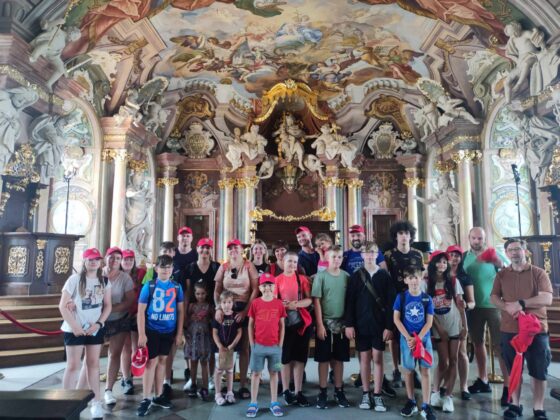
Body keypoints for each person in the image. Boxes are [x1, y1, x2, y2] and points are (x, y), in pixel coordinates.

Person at [491, 238, 553, 420]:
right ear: (506, 253)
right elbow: (494, 297)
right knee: (513, 370)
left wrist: (521, 304)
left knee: (538, 370)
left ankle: (538, 408)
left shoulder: (538, 273)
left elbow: (547, 298)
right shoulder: (502, 275)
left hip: (536, 329)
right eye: (510, 250)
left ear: (525, 251)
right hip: (510, 329)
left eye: (518, 249)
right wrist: (506, 307)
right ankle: (515, 405)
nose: (514, 253)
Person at [59, 248, 112, 419]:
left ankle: (96, 403)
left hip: (94, 328)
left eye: (96, 259)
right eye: (90, 259)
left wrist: (99, 323)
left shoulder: (104, 281)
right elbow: (62, 306)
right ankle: (65, 403)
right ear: (85, 261)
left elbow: (108, 305)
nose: (94, 262)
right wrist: (75, 326)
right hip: (75, 327)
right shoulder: (74, 279)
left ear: (100, 262)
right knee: (73, 365)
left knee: (93, 364)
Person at [344, 242, 395, 412]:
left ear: (377, 254)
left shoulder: (384, 276)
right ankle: (366, 393)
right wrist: (349, 324)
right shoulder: (356, 277)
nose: (370, 255)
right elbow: (350, 303)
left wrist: (389, 326)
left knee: (378, 358)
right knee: (364, 359)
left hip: (380, 325)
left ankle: (378, 394)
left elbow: (391, 303)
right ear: (362, 255)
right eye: (367, 252)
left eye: (373, 252)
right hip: (361, 325)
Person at [463, 227, 510, 405]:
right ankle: (483, 379)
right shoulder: (464, 257)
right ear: (469, 238)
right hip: (473, 306)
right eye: (474, 238)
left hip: (494, 306)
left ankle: (508, 386)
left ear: (484, 239)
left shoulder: (494, 254)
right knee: (477, 343)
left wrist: (498, 262)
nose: (477, 241)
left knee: (499, 346)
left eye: (480, 238)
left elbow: (509, 270)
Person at [136, 254, 185, 417]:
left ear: (172, 269)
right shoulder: (149, 286)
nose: (166, 270)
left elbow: (181, 310)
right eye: (162, 267)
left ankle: (158, 395)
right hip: (152, 329)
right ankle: (146, 398)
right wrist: (141, 334)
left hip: (168, 330)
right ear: (156, 268)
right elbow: (141, 311)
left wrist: (179, 333)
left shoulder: (177, 287)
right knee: (151, 362)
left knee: (163, 360)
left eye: (169, 267)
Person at [214, 239, 259, 400]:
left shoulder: (249, 266)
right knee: (227, 343)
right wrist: (218, 308)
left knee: (244, 347)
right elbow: (217, 289)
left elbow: (255, 289)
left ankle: (243, 385)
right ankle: (228, 384)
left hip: (244, 306)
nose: (233, 250)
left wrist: (246, 311)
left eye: (236, 247)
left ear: (241, 250)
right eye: (230, 248)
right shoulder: (224, 266)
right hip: (226, 307)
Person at [384, 221, 424, 388]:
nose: (404, 236)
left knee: (414, 335)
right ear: (396, 236)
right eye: (400, 233)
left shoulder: (418, 254)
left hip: (414, 300)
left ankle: (413, 371)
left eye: (406, 233)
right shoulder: (389, 255)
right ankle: (396, 370)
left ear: (410, 236)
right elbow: (386, 278)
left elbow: (422, 277)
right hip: (396, 300)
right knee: (394, 337)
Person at [426, 251, 467, 413]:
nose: (442, 265)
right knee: (444, 362)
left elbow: (460, 305)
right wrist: (438, 328)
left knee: (454, 360)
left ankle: (449, 396)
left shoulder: (454, 281)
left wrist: (465, 326)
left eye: (444, 262)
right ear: (433, 263)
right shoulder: (426, 282)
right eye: (439, 261)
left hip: (454, 324)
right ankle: (435, 392)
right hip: (438, 326)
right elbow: (427, 309)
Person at [393, 267, 436, 420]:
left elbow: (429, 322)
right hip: (407, 340)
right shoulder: (401, 297)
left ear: (421, 278)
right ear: (406, 280)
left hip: (424, 339)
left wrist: (418, 339)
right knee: (409, 370)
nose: (414, 281)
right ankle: (411, 401)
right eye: (410, 278)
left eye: (416, 277)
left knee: (425, 370)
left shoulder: (426, 299)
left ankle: (426, 405)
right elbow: (396, 319)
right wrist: (408, 338)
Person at [312, 245, 351, 409]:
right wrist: (320, 324)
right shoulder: (321, 277)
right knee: (323, 358)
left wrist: (349, 324)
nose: (336, 260)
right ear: (327, 258)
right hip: (325, 322)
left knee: (339, 359)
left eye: (339, 257)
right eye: (333, 256)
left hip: (341, 324)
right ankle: (322, 391)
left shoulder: (346, 277)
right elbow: (316, 301)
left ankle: (338, 390)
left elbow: (350, 302)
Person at [246, 273, 287, 418]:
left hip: (275, 347)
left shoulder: (279, 304)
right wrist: (252, 344)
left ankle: (274, 402)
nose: (267, 288)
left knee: (274, 373)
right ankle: (253, 403)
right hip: (258, 346)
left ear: (274, 287)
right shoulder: (255, 303)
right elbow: (250, 325)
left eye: (270, 285)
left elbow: (282, 326)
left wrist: (280, 345)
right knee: (255, 373)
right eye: (264, 285)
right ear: (260, 288)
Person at [276, 251, 313, 408]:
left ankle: (298, 391)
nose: (292, 264)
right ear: (283, 262)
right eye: (289, 261)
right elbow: (272, 301)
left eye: (295, 262)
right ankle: (286, 390)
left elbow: (309, 300)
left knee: (299, 358)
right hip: (284, 324)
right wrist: (283, 305)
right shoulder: (277, 280)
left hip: (301, 322)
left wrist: (295, 304)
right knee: (285, 358)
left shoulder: (302, 279)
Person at [183, 238, 220, 392]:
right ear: (197, 249)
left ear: (211, 250)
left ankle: (210, 378)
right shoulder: (190, 267)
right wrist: (185, 314)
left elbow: (219, 289)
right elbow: (187, 292)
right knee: (191, 347)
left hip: (210, 312)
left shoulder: (216, 267)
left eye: (208, 248)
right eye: (202, 248)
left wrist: (218, 310)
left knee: (210, 347)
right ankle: (192, 379)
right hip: (194, 313)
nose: (205, 251)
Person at [102, 247, 135, 406]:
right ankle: (89, 390)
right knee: (91, 356)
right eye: (111, 257)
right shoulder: (97, 274)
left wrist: (110, 309)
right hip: (97, 320)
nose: (114, 260)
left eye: (117, 258)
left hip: (119, 319)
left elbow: (129, 301)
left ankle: (108, 390)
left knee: (114, 354)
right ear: (105, 258)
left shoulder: (125, 278)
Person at [446, 244, 475, 400]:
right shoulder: (440, 276)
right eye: (451, 255)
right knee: (446, 356)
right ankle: (446, 385)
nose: (454, 258)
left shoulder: (465, 277)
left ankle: (464, 386)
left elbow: (472, 302)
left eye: (457, 255)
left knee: (462, 353)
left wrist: (466, 305)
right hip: (444, 318)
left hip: (460, 318)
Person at [119, 249, 147, 396]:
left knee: (136, 348)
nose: (128, 262)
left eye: (131, 259)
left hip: (137, 314)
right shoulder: (117, 274)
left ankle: (133, 373)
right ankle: (126, 378)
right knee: (126, 348)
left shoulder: (141, 273)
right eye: (125, 259)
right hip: (122, 315)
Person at [212, 291, 243, 406]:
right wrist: (219, 345)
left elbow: (240, 332)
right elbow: (214, 332)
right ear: (220, 303)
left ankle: (230, 392)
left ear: (233, 303)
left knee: (230, 370)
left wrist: (233, 345)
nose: (227, 305)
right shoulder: (218, 316)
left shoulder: (236, 316)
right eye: (224, 302)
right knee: (219, 370)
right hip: (219, 349)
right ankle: (218, 394)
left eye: (229, 302)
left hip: (231, 349)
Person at [184, 283, 213, 401]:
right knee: (193, 362)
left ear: (206, 293)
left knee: (204, 363)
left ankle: (205, 387)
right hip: (192, 337)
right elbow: (186, 321)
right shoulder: (191, 306)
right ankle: (193, 385)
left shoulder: (209, 307)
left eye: (202, 293)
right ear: (194, 294)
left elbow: (213, 321)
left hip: (204, 338)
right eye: (198, 294)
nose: (200, 296)